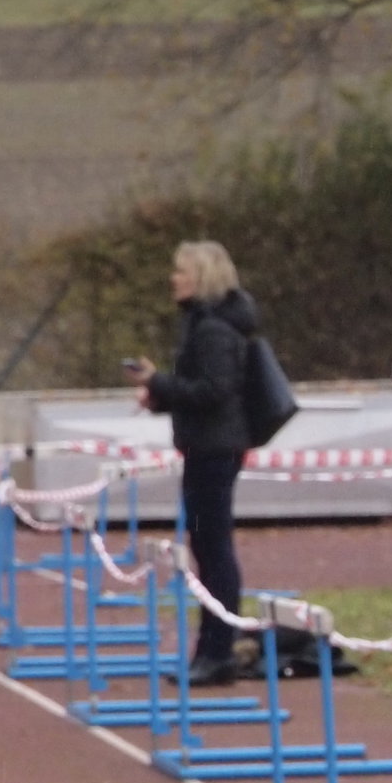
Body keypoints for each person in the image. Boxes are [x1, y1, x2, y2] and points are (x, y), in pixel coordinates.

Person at [127, 239, 258, 687]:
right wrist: (160, 395)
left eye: (181, 271)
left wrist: (158, 381)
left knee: (213, 548)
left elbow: (215, 391)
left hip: (214, 451)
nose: (174, 278)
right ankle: (211, 649)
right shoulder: (202, 325)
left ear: (200, 277)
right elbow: (198, 390)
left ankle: (218, 651)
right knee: (206, 547)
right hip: (205, 447)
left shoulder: (213, 330)